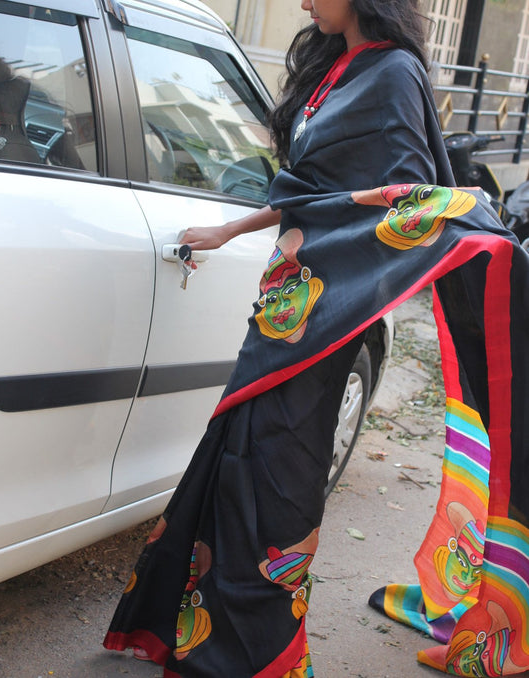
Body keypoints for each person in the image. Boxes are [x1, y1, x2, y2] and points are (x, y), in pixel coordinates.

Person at [104, 1, 529, 676]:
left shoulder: (392, 74)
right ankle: (205, 633)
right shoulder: (335, 66)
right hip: (283, 302)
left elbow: (404, 198)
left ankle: (259, 655)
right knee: (237, 454)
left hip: (327, 318)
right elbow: (310, 192)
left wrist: (470, 226)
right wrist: (227, 231)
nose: (301, 2)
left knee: (277, 474)